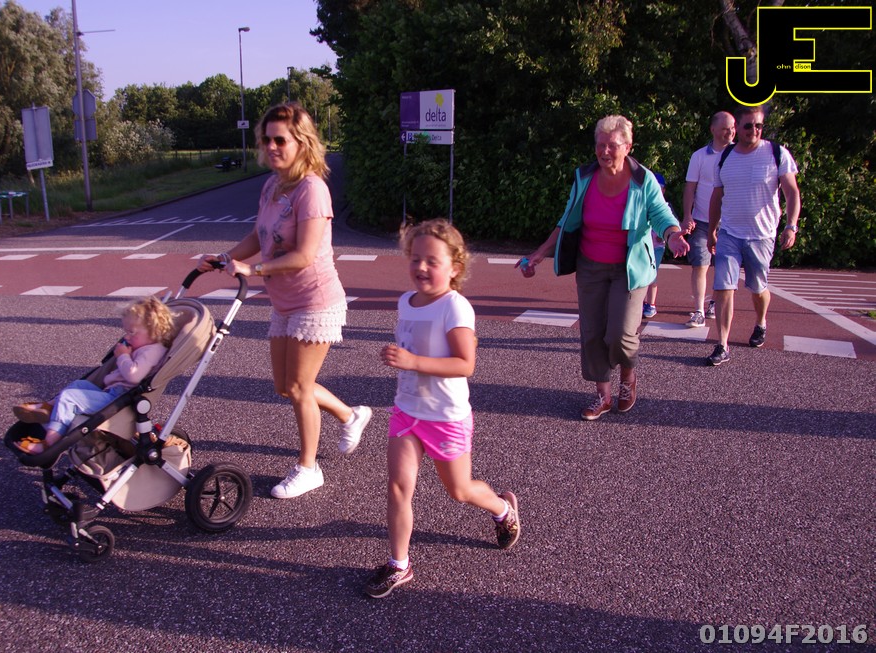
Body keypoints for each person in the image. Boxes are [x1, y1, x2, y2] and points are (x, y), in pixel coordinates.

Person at [198, 102, 371, 499]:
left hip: (316, 301)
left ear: (302, 143)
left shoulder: (312, 190)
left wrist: (253, 270)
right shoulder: (272, 185)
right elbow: (258, 236)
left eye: (281, 140)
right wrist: (224, 258)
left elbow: (304, 255)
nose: (272, 147)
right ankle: (350, 414)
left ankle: (309, 469)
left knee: (299, 386)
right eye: (267, 140)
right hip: (285, 301)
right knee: (284, 386)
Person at [364, 219, 520, 599]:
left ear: (455, 268)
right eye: (415, 258)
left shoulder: (455, 307)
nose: (421, 267)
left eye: (432, 261)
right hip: (407, 410)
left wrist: (412, 361)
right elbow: (412, 347)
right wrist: (398, 357)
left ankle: (502, 508)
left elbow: (466, 364)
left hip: (446, 417)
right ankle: (399, 564)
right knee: (398, 487)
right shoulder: (406, 301)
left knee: (460, 490)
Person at [520, 115, 688, 420]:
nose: (604, 151)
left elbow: (661, 214)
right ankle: (603, 395)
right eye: (600, 144)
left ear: (627, 146)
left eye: (612, 145)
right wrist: (540, 253)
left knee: (621, 333)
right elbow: (566, 220)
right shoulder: (584, 177)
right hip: (590, 266)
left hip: (629, 268)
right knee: (592, 332)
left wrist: (673, 235)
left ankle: (628, 377)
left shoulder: (643, 180)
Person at [14, 296, 177, 454]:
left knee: (69, 398)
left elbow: (134, 376)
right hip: (113, 393)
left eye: (132, 332)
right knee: (79, 385)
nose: (127, 337)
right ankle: (49, 407)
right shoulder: (146, 347)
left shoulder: (152, 351)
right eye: (126, 331)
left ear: (154, 331)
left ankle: (50, 444)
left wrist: (123, 356)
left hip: (120, 399)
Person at [706, 105, 800, 366]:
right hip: (729, 234)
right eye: (749, 126)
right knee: (723, 287)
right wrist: (712, 230)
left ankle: (760, 322)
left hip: (761, 235)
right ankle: (722, 344)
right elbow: (717, 196)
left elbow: (792, 192)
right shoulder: (725, 157)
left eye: (759, 126)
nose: (754, 130)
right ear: (738, 128)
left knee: (758, 288)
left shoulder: (776, 153)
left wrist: (791, 226)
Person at [681, 111, 736, 328]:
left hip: (730, 223)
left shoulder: (739, 155)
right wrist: (687, 215)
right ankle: (699, 311)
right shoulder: (699, 156)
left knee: (723, 267)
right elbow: (690, 187)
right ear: (713, 129)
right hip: (701, 221)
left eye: (733, 128)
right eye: (725, 128)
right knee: (700, 265)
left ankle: (714, 302)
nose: (730, 132)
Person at [642, 172, 671, 319]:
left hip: (657, 247)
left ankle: (651, 304)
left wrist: (665, 234)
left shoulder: (666, 207)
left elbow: (672, 223)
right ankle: (640, 302)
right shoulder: (643, 204)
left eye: (659, 188)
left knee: (652, 275)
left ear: (663, 190)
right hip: (642, 246)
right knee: (641, 274)